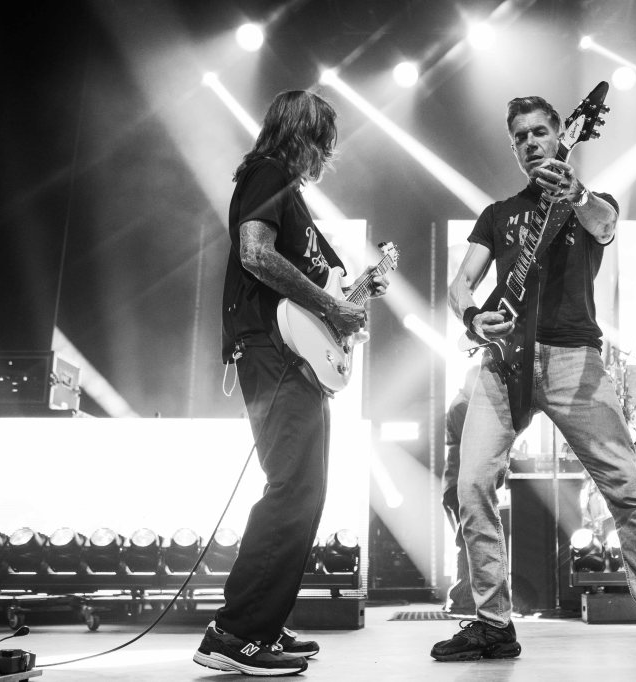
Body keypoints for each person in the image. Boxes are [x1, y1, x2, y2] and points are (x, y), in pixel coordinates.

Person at [432, 95, 636, 670]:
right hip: (503, 361)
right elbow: (461, 284)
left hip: (573, 359)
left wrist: (578, 195)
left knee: (625, 488)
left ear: (563, 134)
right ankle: (493, 623)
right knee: (472, 485)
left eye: (540, 131)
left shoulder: (591, 203)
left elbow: (605, 225)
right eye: (520, 136)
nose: (530, 142)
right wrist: (472, 317)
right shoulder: (498, 214)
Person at [194, 90, 389, 676]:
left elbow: (314, 283)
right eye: (323, 143)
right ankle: (235, 633)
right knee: (292, 488)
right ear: (303, 135)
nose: (326, 156)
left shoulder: (292, 197)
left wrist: (350, 296)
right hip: (270, 351)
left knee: (305, 490)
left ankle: (263, 623)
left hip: (292, 357)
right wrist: (332, 309)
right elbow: (255, 254)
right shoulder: (268, 172)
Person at [440, 364, 482, 617]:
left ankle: (464, 597)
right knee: (468, 540)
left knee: (467, 539)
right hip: (459, 482)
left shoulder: (463, 404)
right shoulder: (462, 407)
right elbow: (477, 441)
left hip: (456, 482)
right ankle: (462, 598)